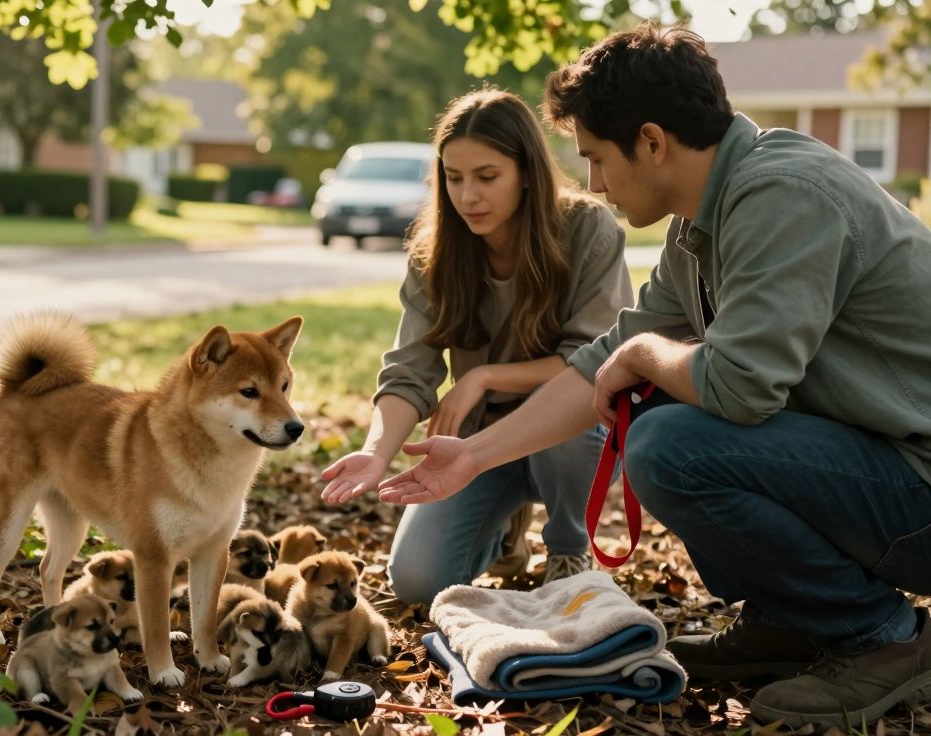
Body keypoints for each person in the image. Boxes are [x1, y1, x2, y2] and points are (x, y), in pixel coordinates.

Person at [374, 23, 931, 730]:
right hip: (888, 475)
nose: (595, 184)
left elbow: (734, 385)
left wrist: (644, 361)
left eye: (598, 159)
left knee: (672, 442)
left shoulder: (783, 195)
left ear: (653, 142)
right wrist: (474, 457)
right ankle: (796, 620)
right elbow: (603, 357)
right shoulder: (703, 220)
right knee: (668, 416)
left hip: (921, 484)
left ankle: (881, 637)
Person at [320, 87, 633, 604]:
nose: (468, 197)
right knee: (418, 582)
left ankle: (567, 546)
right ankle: (506, 531)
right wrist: (377, 453)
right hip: (476, 446)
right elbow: (408, 371)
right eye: (454, 177)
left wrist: (482, 376)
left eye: (487, 177)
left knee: (564, 406)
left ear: (527, 172)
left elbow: (590, 362)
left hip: (573, 438)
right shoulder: (435, 251)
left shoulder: (586, 228)